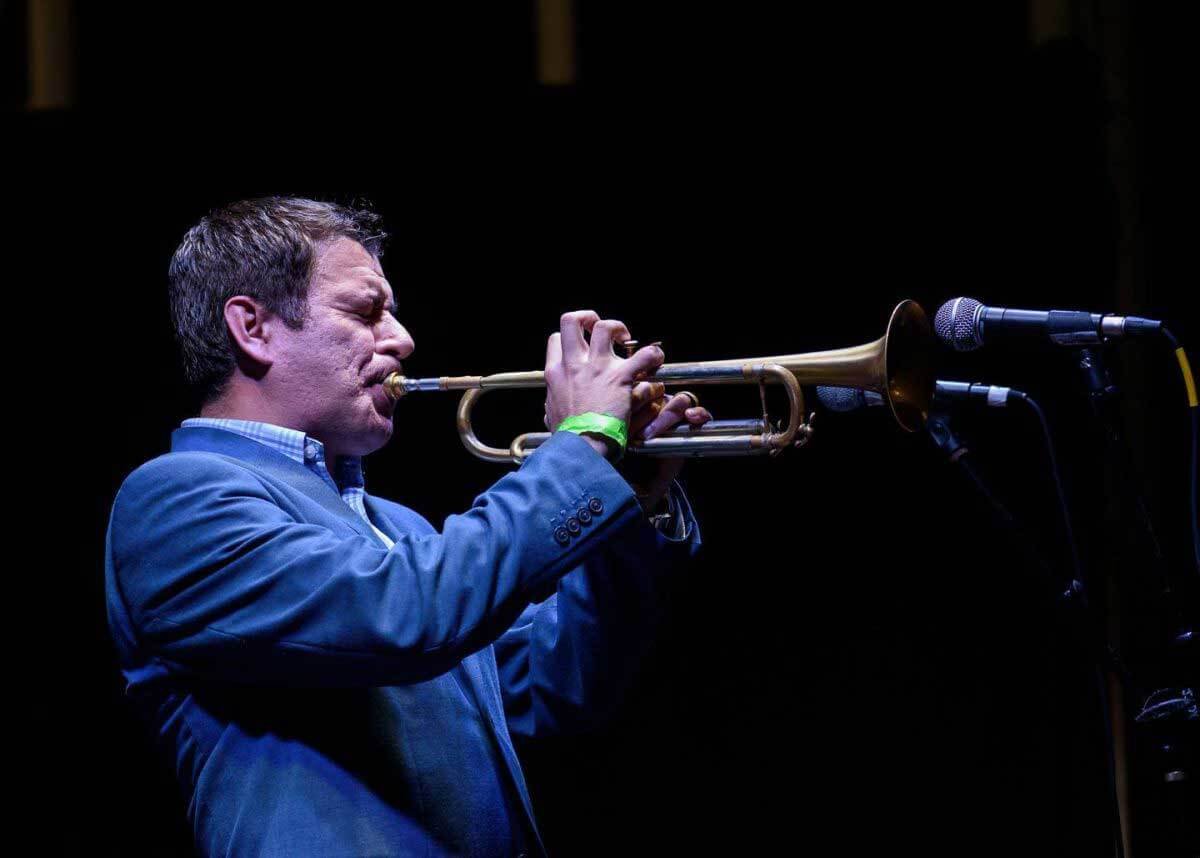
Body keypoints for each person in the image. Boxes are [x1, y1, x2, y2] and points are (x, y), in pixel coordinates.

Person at [104, 197, 710, 857]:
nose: (402, 339)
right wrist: (584, 443)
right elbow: (407, 612)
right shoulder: (176, 498)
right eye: (366, 312)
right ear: (254, 328)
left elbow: (560, 685)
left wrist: (628, 495)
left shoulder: (397, 527)